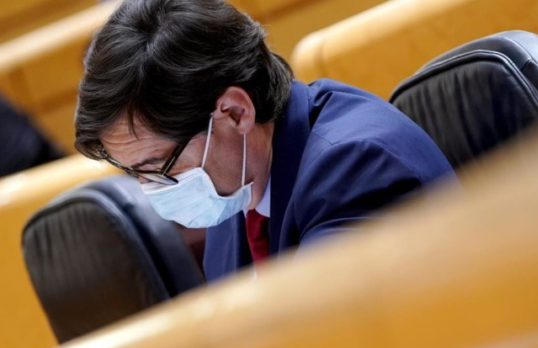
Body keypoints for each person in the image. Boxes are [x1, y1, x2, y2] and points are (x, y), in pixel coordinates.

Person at [74, 0, 455, 281]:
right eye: (135, 174)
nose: (152, 189)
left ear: (236, 113)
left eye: (159, 167)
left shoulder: (357, 171)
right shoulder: (234, 195)